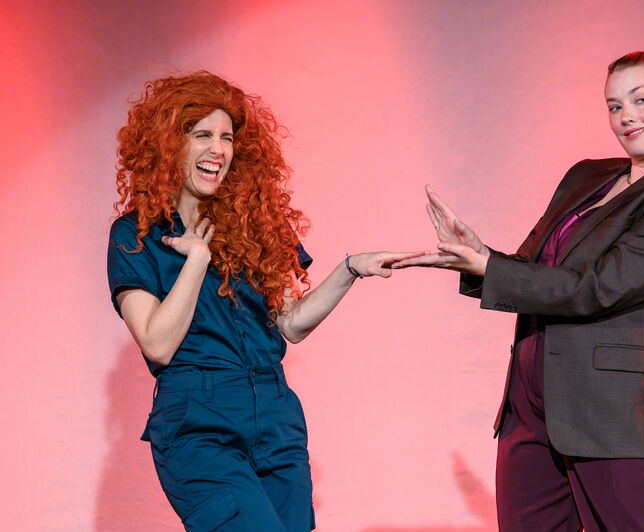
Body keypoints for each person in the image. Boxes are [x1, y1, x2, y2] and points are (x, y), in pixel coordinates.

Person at [393, 50, 644, 531]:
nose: (626, 116)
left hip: (617, 410)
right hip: (530, 403)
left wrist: (489, 267)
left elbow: (599, 289)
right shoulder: (586, 175)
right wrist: (477, 255)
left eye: (640, 99)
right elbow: (533, 267)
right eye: (613, 106)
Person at [107, 71, 420, 531]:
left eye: (227, 138)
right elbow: (157, 344)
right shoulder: (135, 235)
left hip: (275, 415)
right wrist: (196, 259)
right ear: (170, 144)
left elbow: (289, 324)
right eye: (203, 135)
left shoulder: (255, 223)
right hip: (199, 424)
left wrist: (350, 268)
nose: (218, 149)